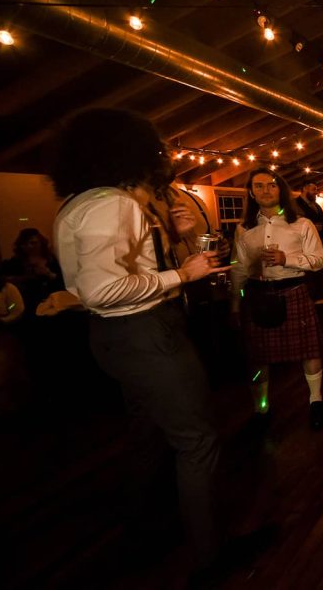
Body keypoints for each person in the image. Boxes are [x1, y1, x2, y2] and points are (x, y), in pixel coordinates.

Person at [48, 108, 229, 572]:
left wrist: (178, 235)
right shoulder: (115, 203)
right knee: (198, 441)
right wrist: (180, 275)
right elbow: (103, 289)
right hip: (144, 334)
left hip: (110, 337)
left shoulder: (76, 202)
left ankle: (142, 532)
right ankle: (211, 560)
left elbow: (112, 272)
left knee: (146, 435)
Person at [230, 168, 323, 431]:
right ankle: (261, 409)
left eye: (271, 185)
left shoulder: (301, 223)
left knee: (310, 350)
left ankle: (315, 401)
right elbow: (238, 268)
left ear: (281, 189)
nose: (265, 190)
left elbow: (320, 260)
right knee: (258, 357)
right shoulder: (244, 229)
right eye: (259, 186)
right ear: (251, 192)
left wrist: (288, 259)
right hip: (258, 295)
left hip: (294, 290)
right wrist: (235, 305)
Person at [0, 228, 64, 316]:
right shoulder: (17, 261)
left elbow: (62, 283)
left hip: (52, 304)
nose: (29, 246)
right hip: (27, 307)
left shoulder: (51, 259)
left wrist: (48, 274)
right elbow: (2, 276)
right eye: (25, 244)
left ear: (41, 243)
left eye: (33, 243)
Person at [296, 182, 323, 299]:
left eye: (316, 189)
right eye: (313, 189)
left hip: (321, 245)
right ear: (304, 189)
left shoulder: (316, 205)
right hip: (304, 248)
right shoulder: (294, 205)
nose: (316, 192)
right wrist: (312, 226)